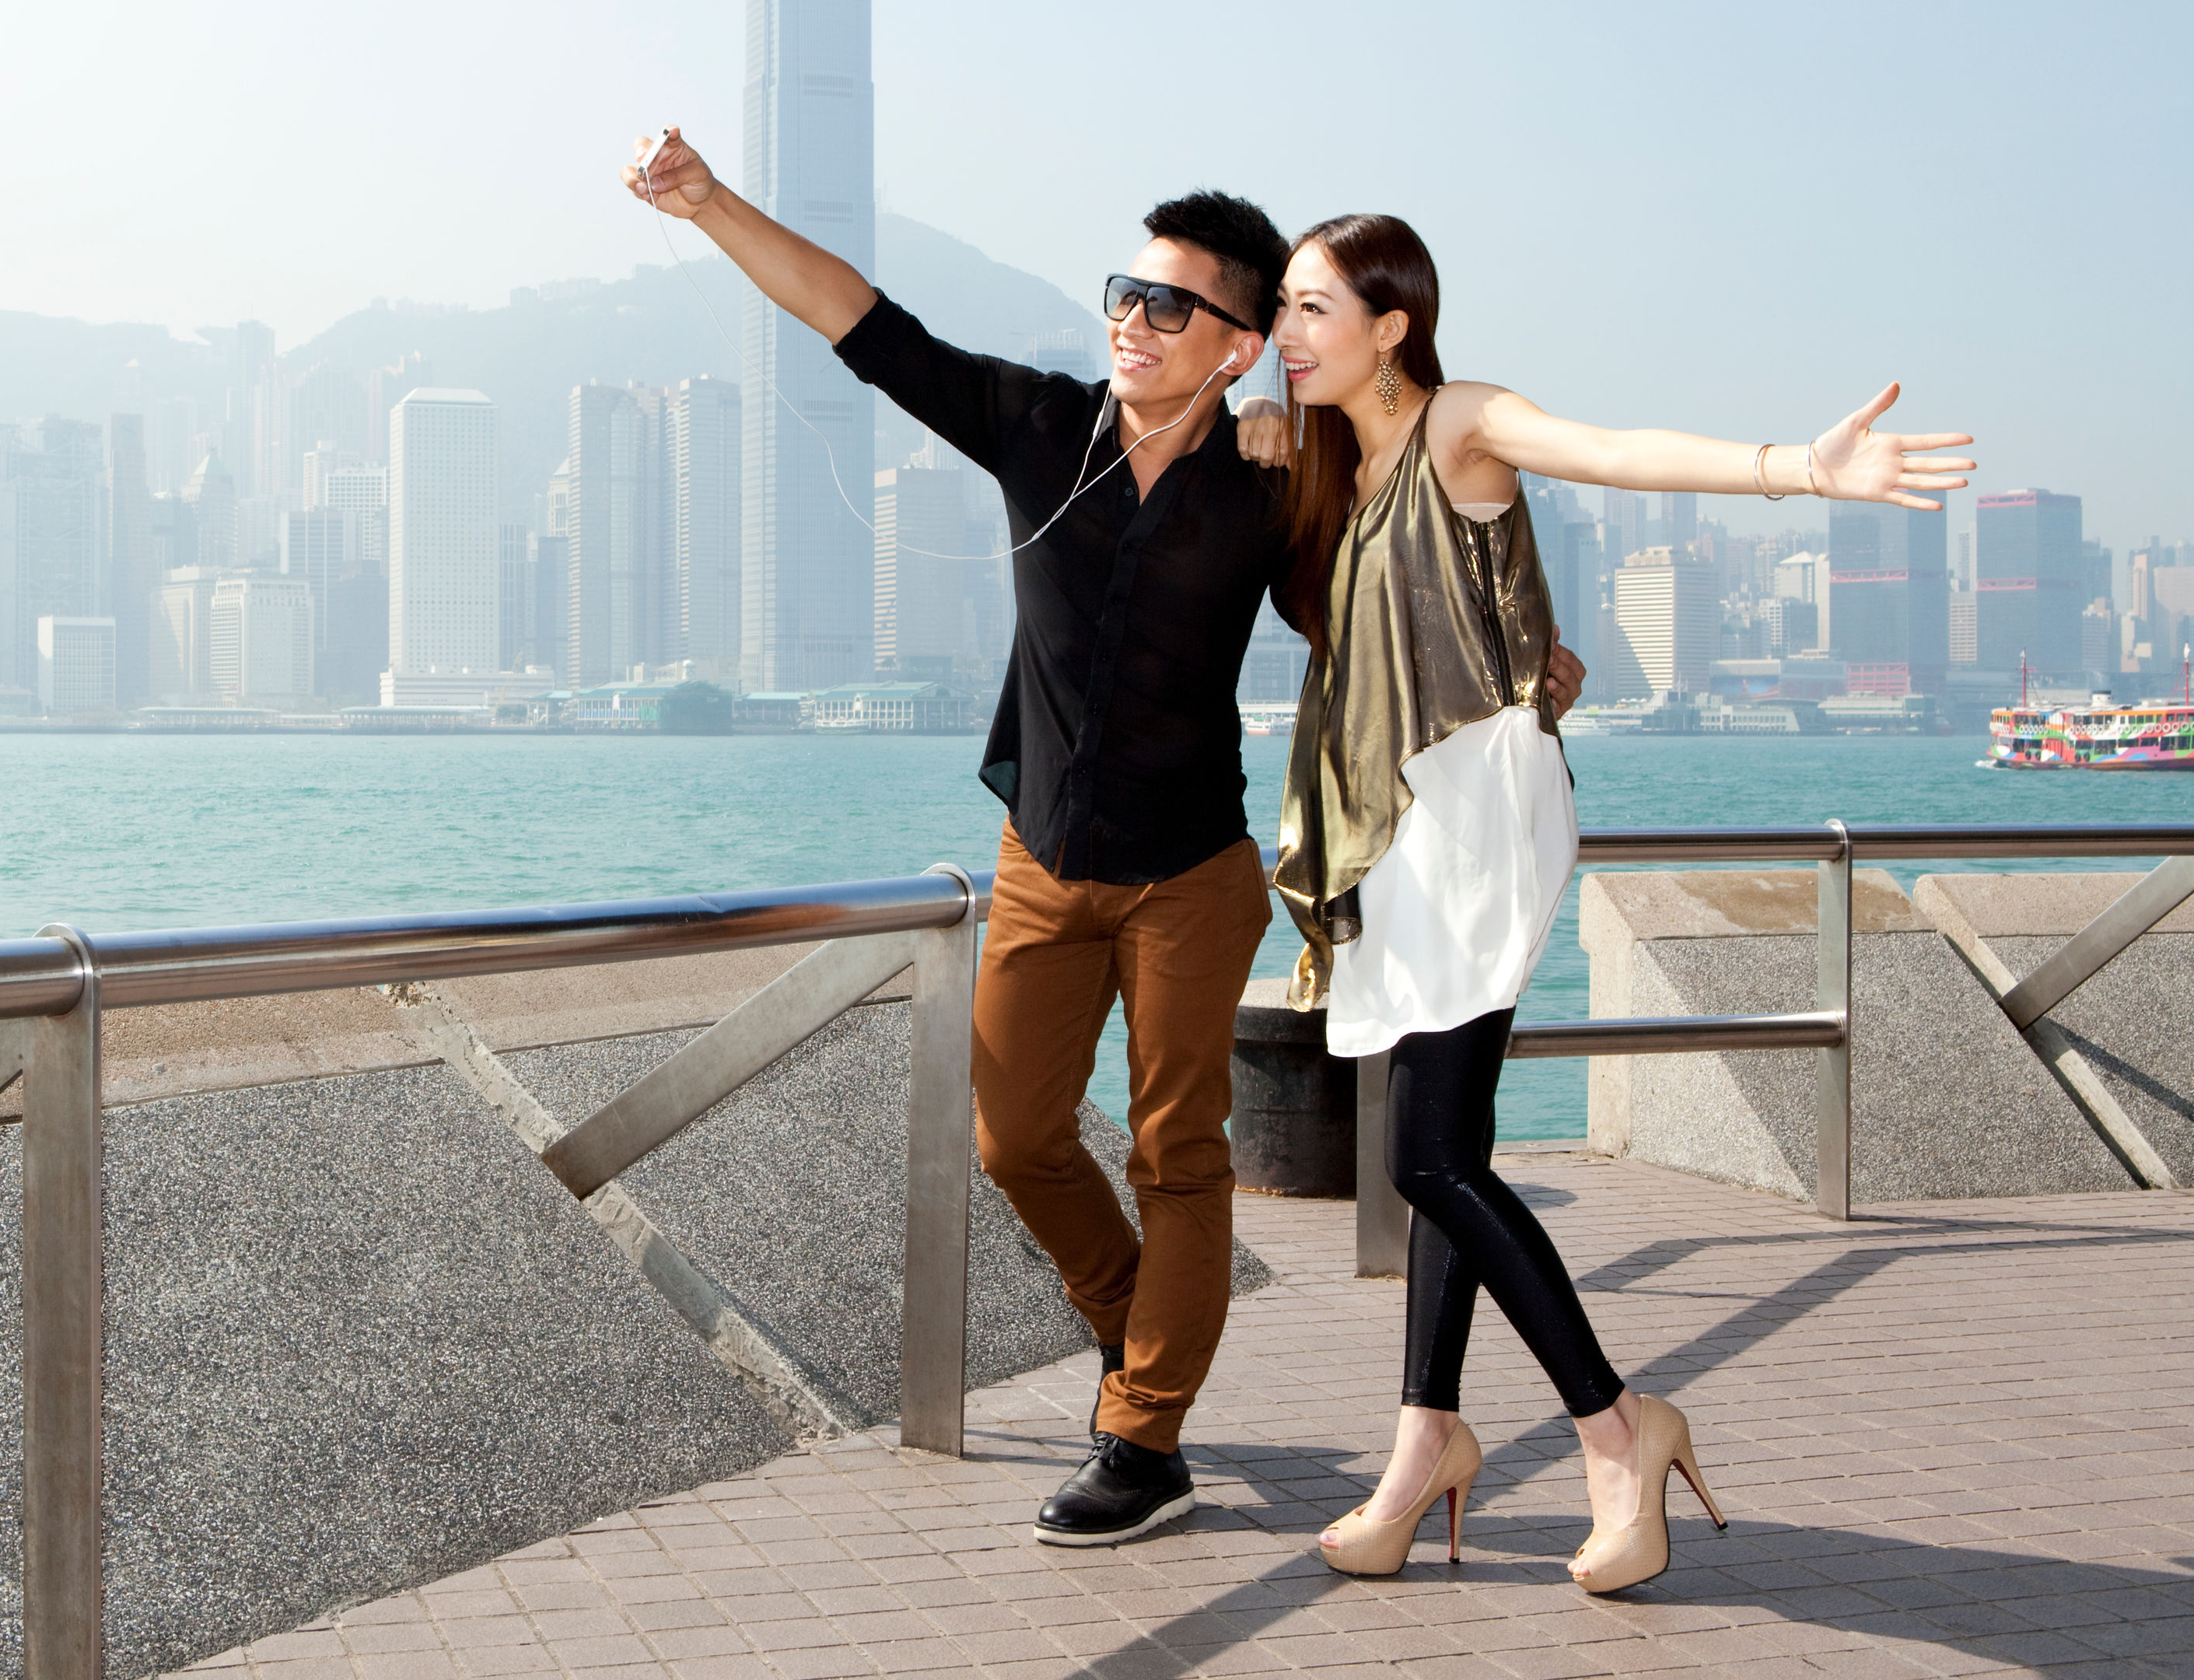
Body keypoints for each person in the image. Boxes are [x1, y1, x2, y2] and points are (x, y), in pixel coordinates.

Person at [622, 131, 1583, 1545]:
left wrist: (1530, 673)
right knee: (1013, 1137)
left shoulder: (1275, 480)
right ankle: (1149, 1333)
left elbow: (1381, 612)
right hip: (1040, 862)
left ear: (1243, 346)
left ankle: (1143, 1437)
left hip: (1195, 877)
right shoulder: (1035, 426)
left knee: (1175, 1155)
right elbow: (857, 317)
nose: (1132, 321)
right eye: (1123, 293)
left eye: (1171, 305)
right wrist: (707, 204)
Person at [1253, 212, 1972, 1591]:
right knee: (1437, 1146)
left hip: (1471, 814)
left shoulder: (1461, 419)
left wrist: (1800, 473)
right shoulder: (1334, 466)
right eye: (1282, 308)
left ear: (1391, 323)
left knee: (1424, 1161)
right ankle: (1425, 1451)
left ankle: (1618, 1428)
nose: (1288, 333)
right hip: (1397, 822)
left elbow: (1615, 449)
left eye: (1311, 307)